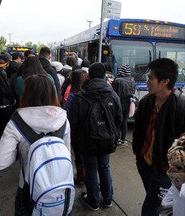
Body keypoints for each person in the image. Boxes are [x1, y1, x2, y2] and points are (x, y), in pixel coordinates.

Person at [0, 74, 71, 215]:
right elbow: (67, 153)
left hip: (29, 189)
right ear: (52, 92)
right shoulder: (63, 119)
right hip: (61, 187)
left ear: (25, 94)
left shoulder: (16, 122)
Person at [132, 58, 185, 216]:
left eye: (151, 78)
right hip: (145, 164)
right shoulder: (146, 102)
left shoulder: (180, 106)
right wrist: (139, 155)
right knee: (155, 199)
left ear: (165, 82)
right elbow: (139, 130)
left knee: (150, 209)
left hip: (165, 170)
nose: (147, 81)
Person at [69, 62, 122, 211]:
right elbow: (119, 119)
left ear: (89, 76)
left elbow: (73, 122)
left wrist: (76, 142)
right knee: (104, 167)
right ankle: (108, 198)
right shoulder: (113, 95)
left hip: (87, 142)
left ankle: (92, 201)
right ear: (104, 76)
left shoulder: (80, 96)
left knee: (91, 169)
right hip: (107, 141)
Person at [65, 69, 88, 184]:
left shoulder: (72, 96)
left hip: (77, 133)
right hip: (89, 131)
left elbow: (68, 116)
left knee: (79, 156)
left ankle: (81, 177)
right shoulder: (89, 94)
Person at [112, 64, 135, 145]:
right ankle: (123, 139)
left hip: (119, 102)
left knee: (117, 120)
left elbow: (113, 92)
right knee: (124, 121)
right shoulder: (131, 80)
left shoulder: (117, 80)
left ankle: (117, 138)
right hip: (128, 103)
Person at [0, 54, 16, 137]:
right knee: (4, 122)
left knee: (1, 121)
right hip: (4, 102)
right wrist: (12, 98)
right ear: (7, 63)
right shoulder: (1, 72)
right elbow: (5, 89)